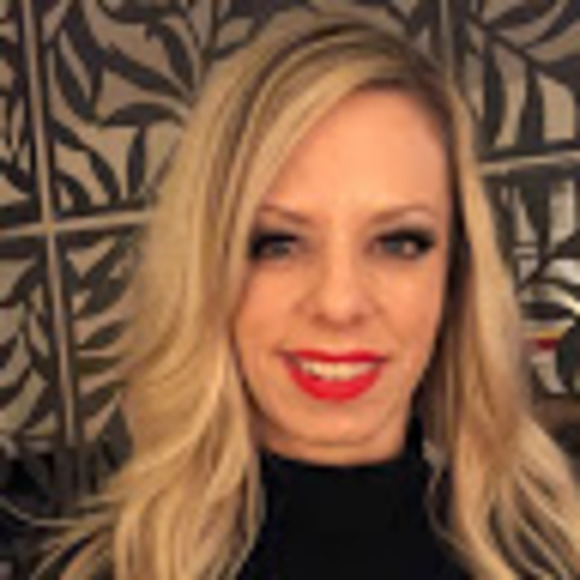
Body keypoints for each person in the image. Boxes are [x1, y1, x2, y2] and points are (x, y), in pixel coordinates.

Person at [45, 9, 580, 580]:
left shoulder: (550, 555)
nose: (339, 304)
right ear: (208, 269)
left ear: (455, 277)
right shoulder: (112, 570)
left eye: (398, 243)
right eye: (278, 244)